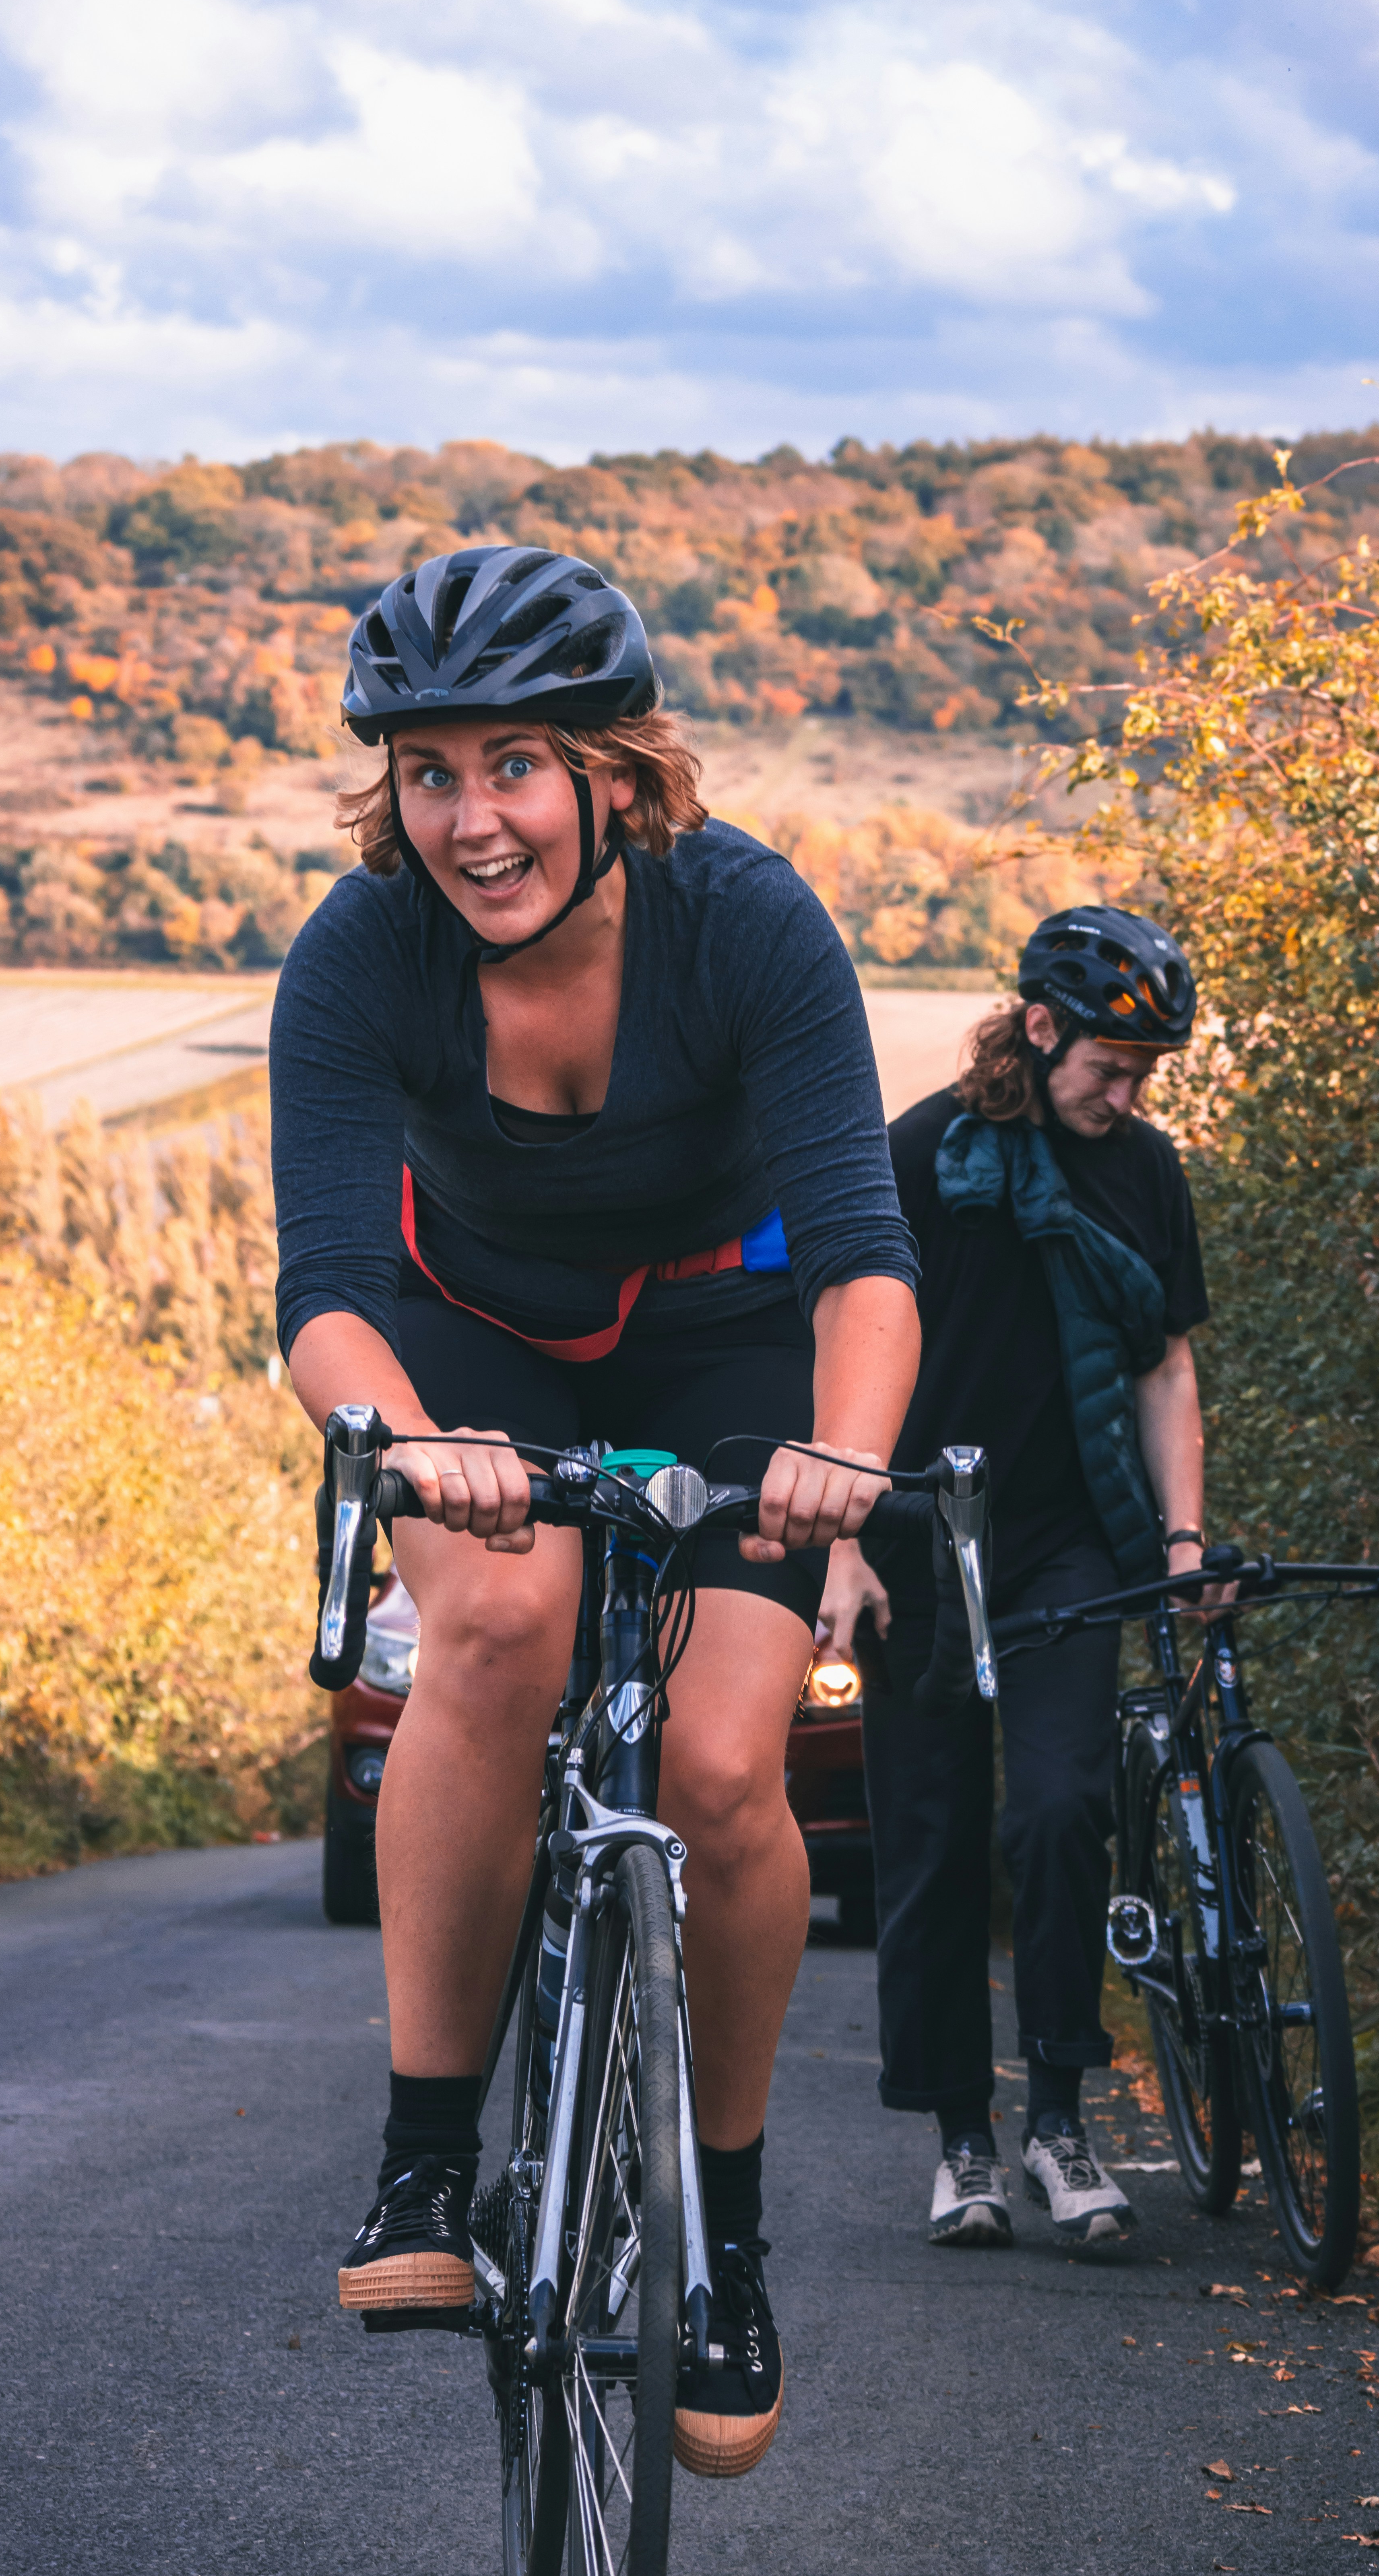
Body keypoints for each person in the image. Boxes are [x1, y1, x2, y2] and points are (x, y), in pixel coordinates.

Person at [269, 544, 920, 2475]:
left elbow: (864, 1256)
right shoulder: (361, 954)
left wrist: (847, 1457)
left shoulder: (745, 925)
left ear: (615, 774)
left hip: (729, 1352)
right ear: (388, 795)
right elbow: (319, 1283)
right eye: (430, 772)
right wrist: (399, 1440)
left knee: (729, 1767)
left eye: (516, 766)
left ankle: (719, 2232)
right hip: (478, 1353)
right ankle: (423, 2167)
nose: (473, 819)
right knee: (490, 1623)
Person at [820, 909, 1211, 2250]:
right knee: (929, 1843)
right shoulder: (924, 1156)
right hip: (920, 1538)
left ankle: (1057, 2118)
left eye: (1146, 1070)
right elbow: (839, 1343)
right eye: (1112, 1062)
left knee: (1057, 1813)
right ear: (1040, 1030)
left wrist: (1182, 1540)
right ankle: (962, 2145)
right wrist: (845, 1543)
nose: (1128, 1090)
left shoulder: (1145, 1170)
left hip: (1066, 1543)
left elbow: (1164, 1364)